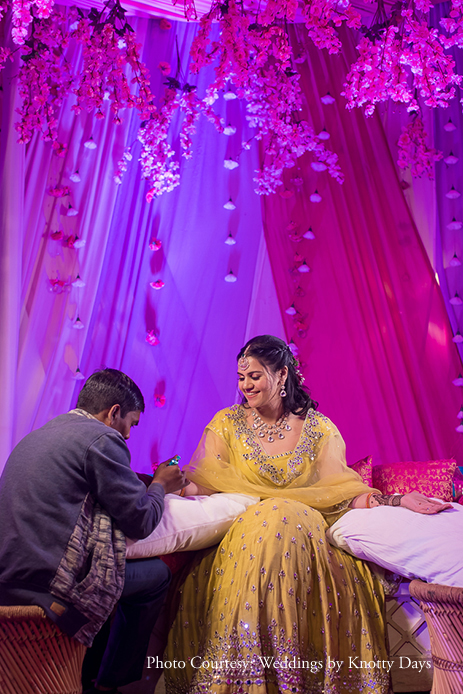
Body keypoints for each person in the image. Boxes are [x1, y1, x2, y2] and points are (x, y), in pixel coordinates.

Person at [163, 335, 449, 694]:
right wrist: (164, 488)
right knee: (266, 524)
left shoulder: (318, 429)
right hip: (245, 535)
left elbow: (340, 492)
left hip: (307, 531)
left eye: (254, 376)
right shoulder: (226, 424)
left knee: (282, 519)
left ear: (282, 375)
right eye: (241, 377)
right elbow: (205, 483)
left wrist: (396, 500)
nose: (245, 386)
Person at [0, 368, 187, 694]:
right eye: (132, 422)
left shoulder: (40, 433)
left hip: (7, 581)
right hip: (48, 590)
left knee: (113, 575)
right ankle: (111, 684)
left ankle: (90, 675)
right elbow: (140, 521)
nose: (129, 434)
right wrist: (160, 485)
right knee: (156, 575)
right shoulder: (103, 440)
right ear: (114, 413)